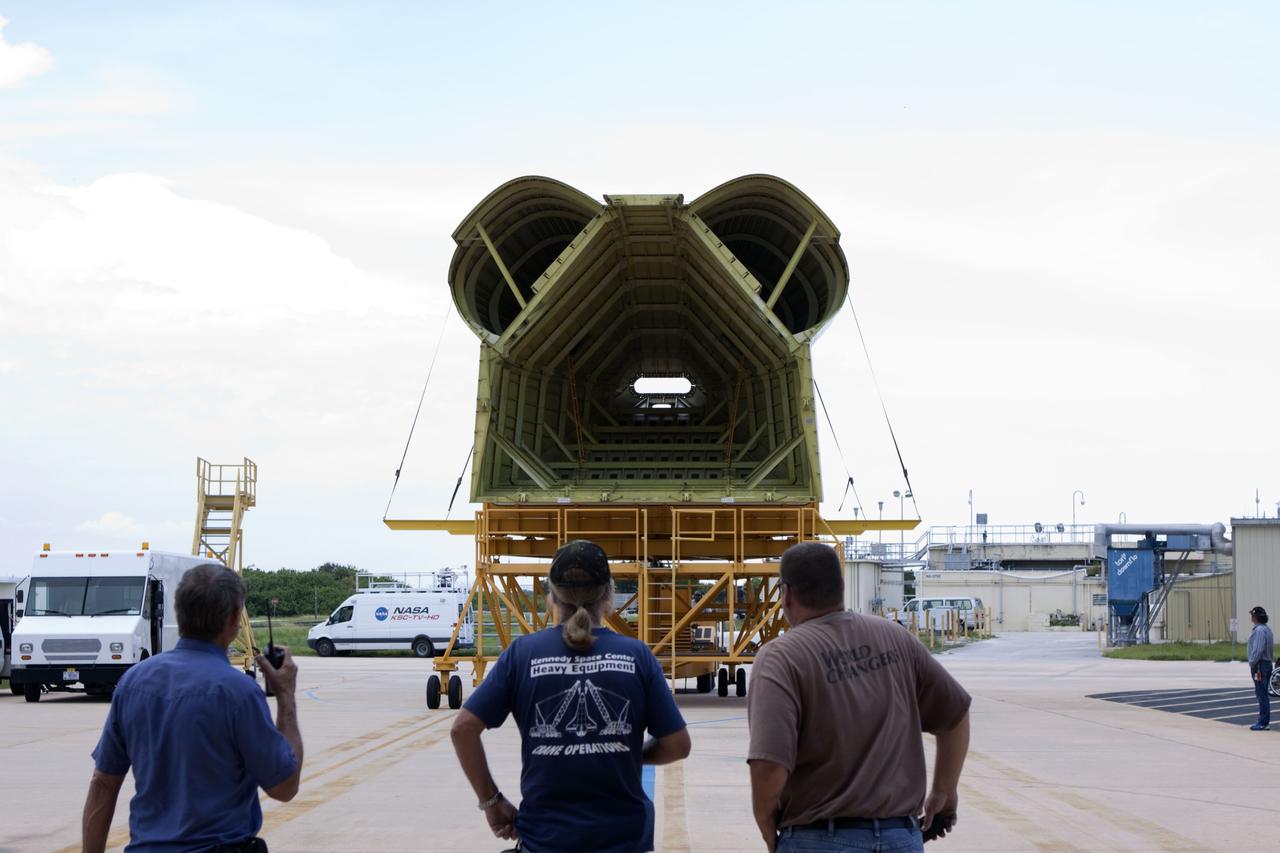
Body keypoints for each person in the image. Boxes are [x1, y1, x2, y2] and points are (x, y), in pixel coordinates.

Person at [451, 539, 692, 853]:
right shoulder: (637, 656)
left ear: (552, 595)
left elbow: (462, 729)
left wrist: (491, 801)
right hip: (624, 839)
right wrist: (627, 753)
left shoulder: (522, 654)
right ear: (608, 595)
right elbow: (678, 745)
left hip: (545, 840)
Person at [748, 542, 972, 853]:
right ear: (840, 588)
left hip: (818, 838)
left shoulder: (780, 657)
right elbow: (956, 715)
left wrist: (766, 824)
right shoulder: (895, 638)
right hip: (901, 837)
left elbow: (769, 765)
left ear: (785, 594)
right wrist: (944, 791)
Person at [81, 564, 303, 853]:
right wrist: (286, 697)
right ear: (234, 618)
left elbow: (103, 783)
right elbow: (284, 788)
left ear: (179, 612)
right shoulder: (238, 693)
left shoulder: (133, 683)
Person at [1247, 605, 1274, 731]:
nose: (1251, 617)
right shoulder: (1267, 630)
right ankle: (1264, 721)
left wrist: (1252, 662)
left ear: (1255, 617)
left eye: (1252, 615)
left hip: (1259, 665)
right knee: (1263, 693)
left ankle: (1263, 722)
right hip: (1266, 664)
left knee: (1261, 693)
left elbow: (1258, 649)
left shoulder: (1259, 631)